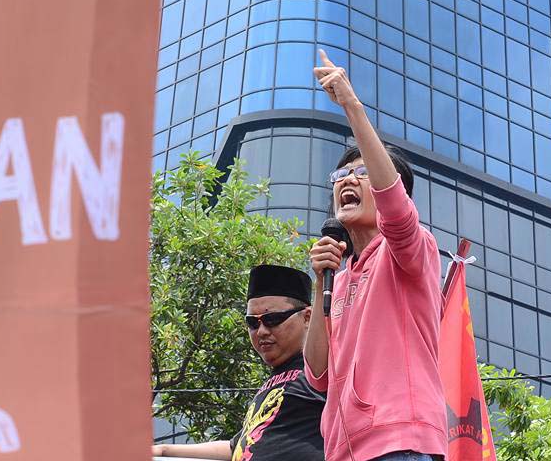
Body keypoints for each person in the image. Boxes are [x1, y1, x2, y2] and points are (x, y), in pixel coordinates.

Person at [304, 49, 446, 461]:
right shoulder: (340, 277)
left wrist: (351, 105)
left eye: (361, 173)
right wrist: (320, 284)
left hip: (399, 443)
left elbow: (397, 212)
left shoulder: (410, 250)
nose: (348, 180)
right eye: (342, 175)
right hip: (343, 451)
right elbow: (318, 375)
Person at [153, 264, 325, 461]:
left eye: (273, 319)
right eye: (253, 322)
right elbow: (239, 446)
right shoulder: (272, 385)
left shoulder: (321, 370)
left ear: (307, 317)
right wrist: (163, 450)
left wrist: (322, 282)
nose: (261, 331)